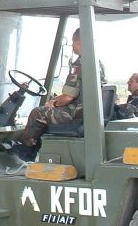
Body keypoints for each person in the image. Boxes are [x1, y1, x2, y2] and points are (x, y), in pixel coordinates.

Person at [12, 28, 106, 162]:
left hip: (74, 113)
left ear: (79, 42)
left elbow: (68, 97)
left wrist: (54, 103)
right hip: (87, 111)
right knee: (47, 108)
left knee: (37, 113)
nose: (72, 46)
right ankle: (36, 148)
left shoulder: (80, 64)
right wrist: (55, 99)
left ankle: (26, 151)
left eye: (73, 42)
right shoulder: (97, 63)